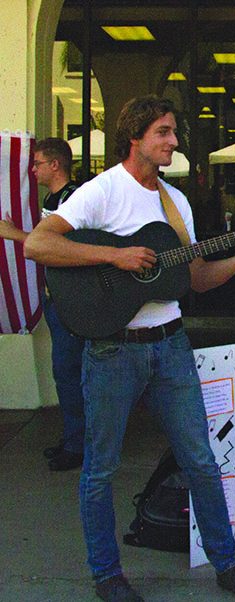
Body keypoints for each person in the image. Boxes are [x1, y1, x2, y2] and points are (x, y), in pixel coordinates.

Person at [25, 96, 235, 602]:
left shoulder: (175, 204)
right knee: (101, 468)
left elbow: (196, 280)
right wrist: (115, 256)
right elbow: (38, 245)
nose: (174, 142)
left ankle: (227, 564)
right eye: (164, 132)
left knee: (201, 461)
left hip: (170, 346)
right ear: (135, 136)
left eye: (174, 132)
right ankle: (107, 575)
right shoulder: (100, 192)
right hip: (114, 351)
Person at [0, 137, 85, 471]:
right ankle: (72, 437)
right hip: (56, 298)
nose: (32, 170)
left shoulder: (74, 198)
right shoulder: (53, 199)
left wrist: (14, 234)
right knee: (64, 371)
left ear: (55, 164)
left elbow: (61, 247)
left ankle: (78, 445)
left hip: (71, 301)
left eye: (36, 164)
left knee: (69, 371)